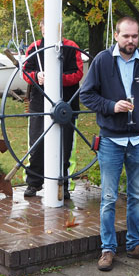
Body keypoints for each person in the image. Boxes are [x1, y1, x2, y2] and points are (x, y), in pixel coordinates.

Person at [80, 16, 139, 271]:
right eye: (126, 36)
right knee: (108, 197)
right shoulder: (103, 60)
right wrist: (111, 106)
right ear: (116, 36)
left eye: (135, 36)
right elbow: (86, 95)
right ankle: (108, 249)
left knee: (137, 195)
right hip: (111, 140)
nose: (131, 41)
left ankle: (135, 245)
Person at [22, 20, 84, 199]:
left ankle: (63, 184)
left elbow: (77, 73)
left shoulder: (72, 47)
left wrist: (55, 78)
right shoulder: (34, 48)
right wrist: (37, 76)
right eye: (45, 28)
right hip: (39, 105)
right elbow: (26, 71)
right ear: (41, 29)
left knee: (65, 146)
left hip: (67, 105)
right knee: (36, 143)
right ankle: (34, 183)